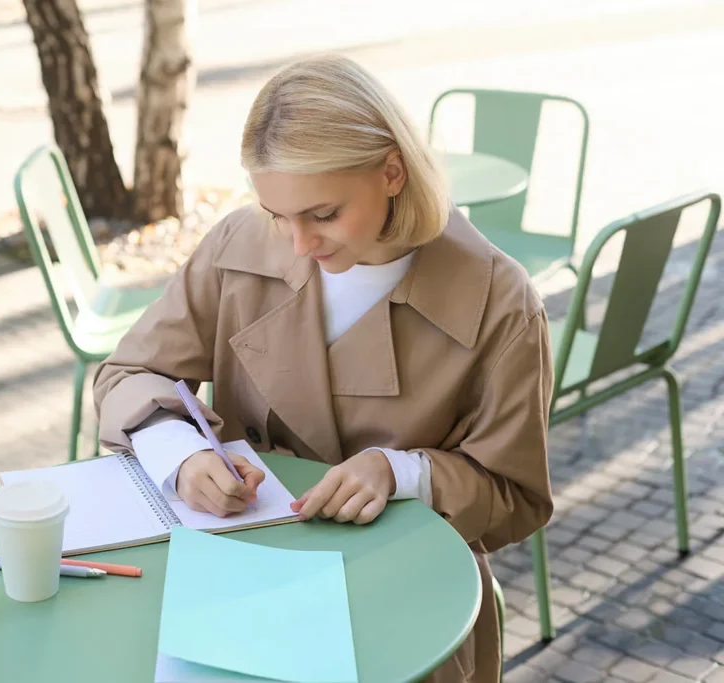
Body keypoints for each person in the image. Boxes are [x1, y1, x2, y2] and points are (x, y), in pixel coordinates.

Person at [93, 54, 553, 683]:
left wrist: (401, 472)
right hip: (235, 589)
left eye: (324, 214)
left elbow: (515, 496)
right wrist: (181, 454)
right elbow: (127, 376)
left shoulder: (501, 301)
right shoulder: (239, 243)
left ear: (393, 171)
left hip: (404, 604)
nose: (299, 244)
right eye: (278, 214)